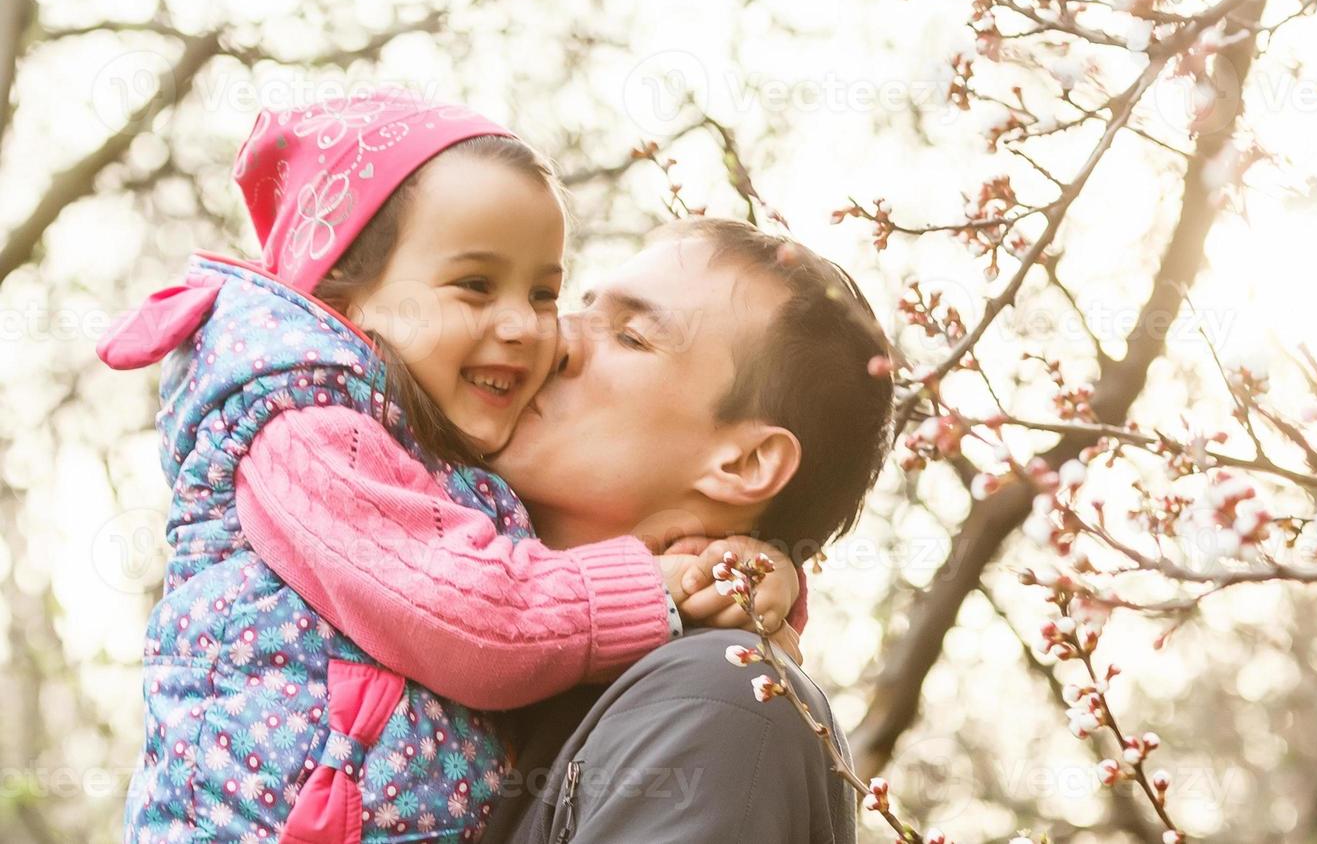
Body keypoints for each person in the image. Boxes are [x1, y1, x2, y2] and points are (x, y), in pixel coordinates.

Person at [97, 91, 804, 844]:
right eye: (474, 285)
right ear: (344, 294)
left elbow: (543, 578)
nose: (530, 329)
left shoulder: (433, 462)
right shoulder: (304, 433)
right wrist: (661, 591)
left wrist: (730, 573)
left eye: (541, 292)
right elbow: (479, 615)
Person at [241, 218, 897, 842]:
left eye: (631, 336)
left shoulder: (718, 702)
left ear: (744, 463)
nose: (549, 337)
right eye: (575, 304)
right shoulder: (451, 670)